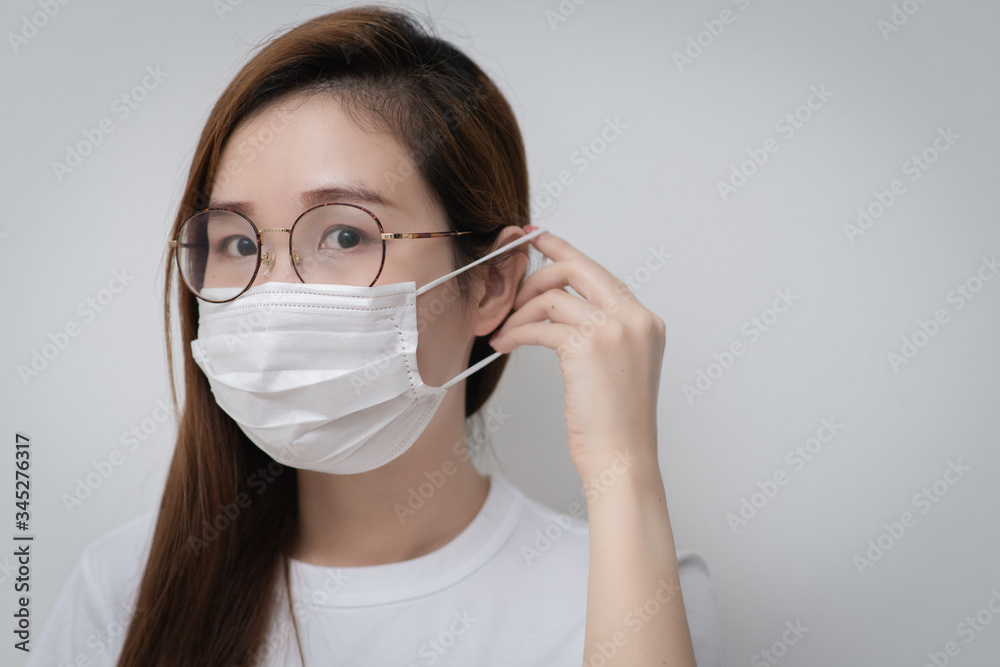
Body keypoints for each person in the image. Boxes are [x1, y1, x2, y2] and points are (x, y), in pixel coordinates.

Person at [28, 5, 726, 666]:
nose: (272, 289)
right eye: (238, 243)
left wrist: (624, 468)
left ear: (488, 282)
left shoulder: (632, 585)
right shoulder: (121, 591)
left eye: (343, 233)